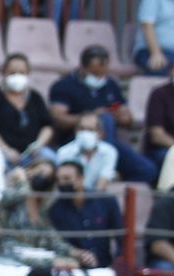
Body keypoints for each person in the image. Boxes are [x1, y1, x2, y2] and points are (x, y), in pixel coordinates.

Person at [49, 46, 155, 184]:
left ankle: (115, 184)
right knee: (103, 119)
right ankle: (107, 170)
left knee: (147, 170)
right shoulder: (64, 86)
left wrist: (124, 116)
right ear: (82, 68)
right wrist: (91, 116)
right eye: (95, 73)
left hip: (109, 143)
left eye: (103, 73)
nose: (100, 77)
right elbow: (58, 119)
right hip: (75, 142)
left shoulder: (110, 85)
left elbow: (126, 119)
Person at [0, 159, 81, 269]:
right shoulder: (13, 196)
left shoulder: (43, 209)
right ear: (30, 171)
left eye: (48, 177)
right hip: (12, 252)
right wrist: (23, 180)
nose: (43, 178)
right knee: (56, 263)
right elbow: (4, 200)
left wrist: (74, 252)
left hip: (37, 255)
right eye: (40, 172)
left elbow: (53, 239)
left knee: (71, 263)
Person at [0, 53, 54, 168]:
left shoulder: (35, 97)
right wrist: (5, 149)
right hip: (3, 153)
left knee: (52, 161)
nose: (17, 76)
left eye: (22, 73)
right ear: (3, 73)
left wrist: (38, 144)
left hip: (33, 154)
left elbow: (47, 126)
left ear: (28, 74)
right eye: (12, 73)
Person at [49, 160, 120, 269]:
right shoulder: (56, 209)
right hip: (75, 267)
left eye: (67, 178)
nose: (61, 183)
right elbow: (60, 244)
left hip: (106, 266)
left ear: (81, 179)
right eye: (58, 179)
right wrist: (78, 255)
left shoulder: (105, 201)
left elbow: (121, 236)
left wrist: (118, 265)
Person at [54, 112, 118, 192]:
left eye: (90, 130)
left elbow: (102, 183)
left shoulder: (109, 152)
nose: (85, 133)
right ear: (76, 131)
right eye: (82, 129)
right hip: (70, 197)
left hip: (96, 198)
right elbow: (63, 183)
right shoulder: (64, 152)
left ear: (100, 133)